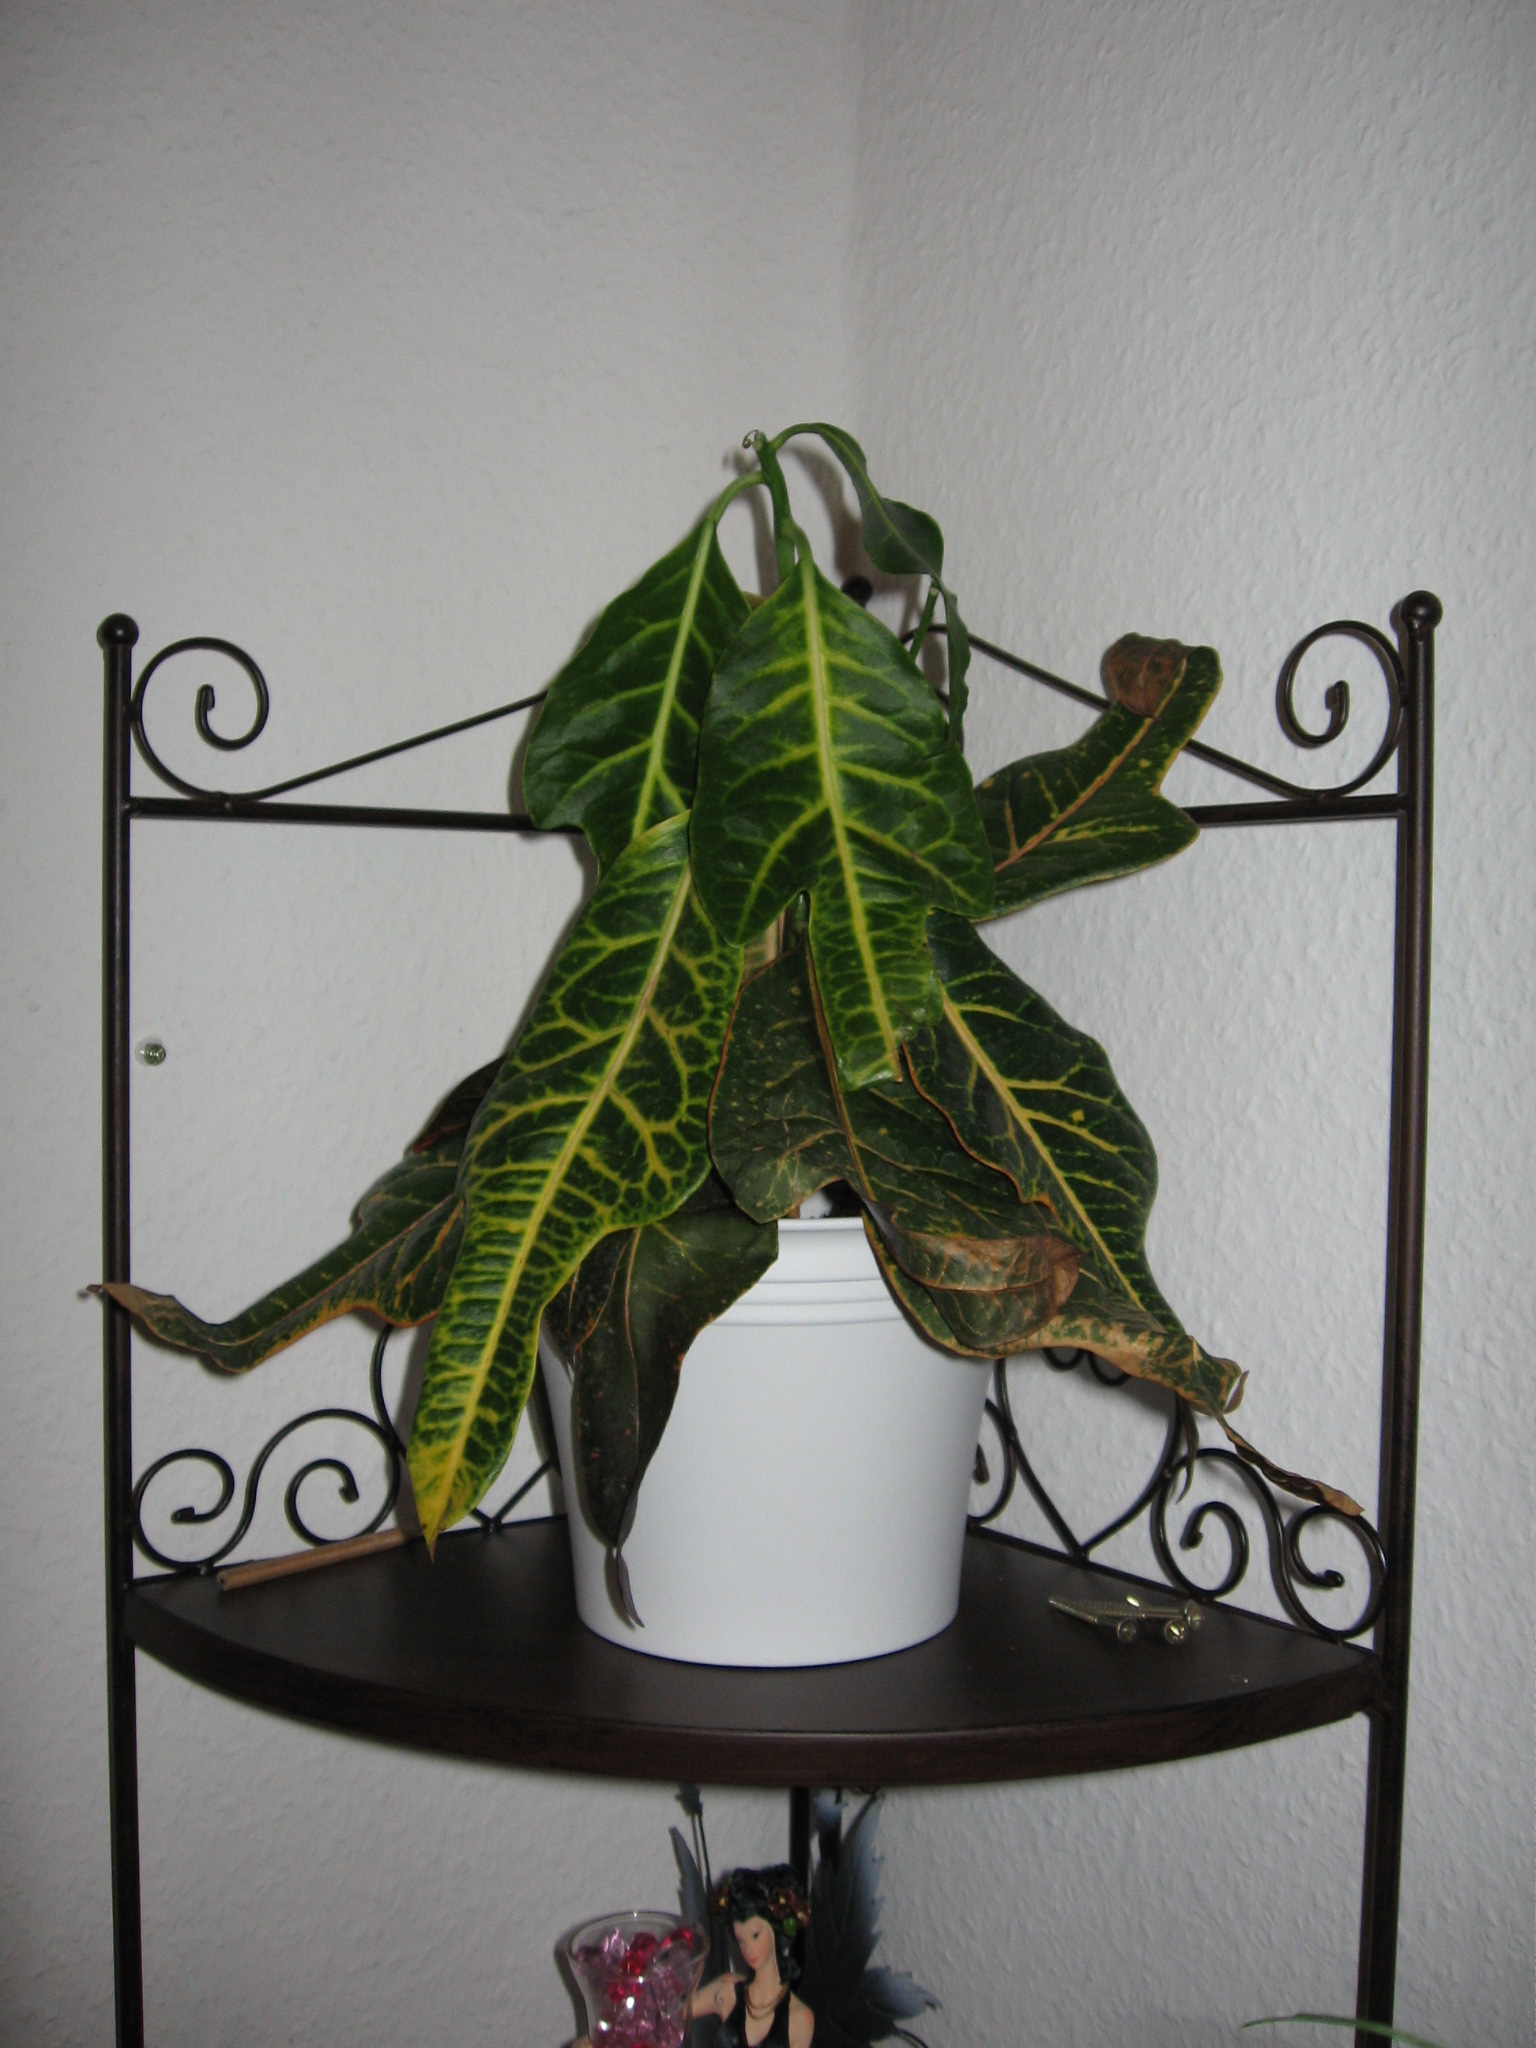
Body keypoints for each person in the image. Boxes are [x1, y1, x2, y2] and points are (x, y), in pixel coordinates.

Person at [691, 1865, 814, 2048]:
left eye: (755, 1935)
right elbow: (674, 2014)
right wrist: (691, 1962)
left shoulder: (799, 2019)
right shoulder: (727, 1991)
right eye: (740, 1940)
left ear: (775, 1931)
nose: (748, 1948)